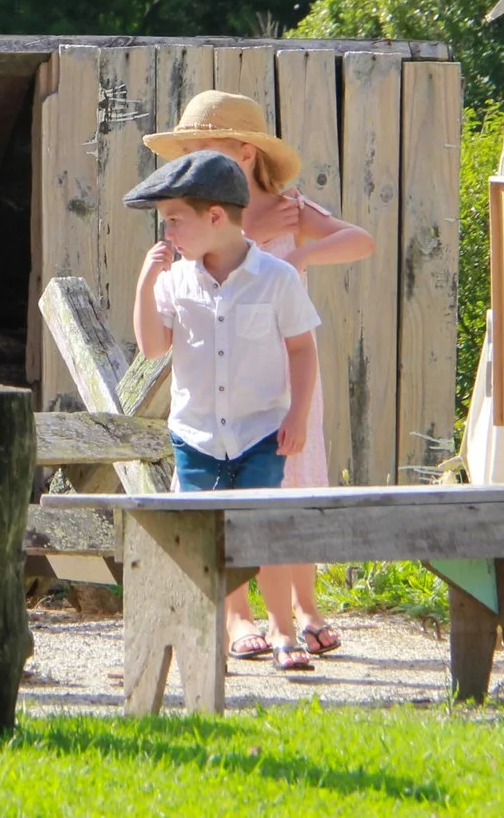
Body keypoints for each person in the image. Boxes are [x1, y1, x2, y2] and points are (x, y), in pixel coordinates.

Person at [142, 91, 373, 663]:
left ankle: (305, 606)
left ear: (244, 152)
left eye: (202, 145)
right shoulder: (203, 215)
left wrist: (298, 258)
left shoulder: (289, 206)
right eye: (188, 148)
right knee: (232, 489)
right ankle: (239, 617)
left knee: (289, 483)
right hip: (222, 374)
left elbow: (360, 240)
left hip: (286, 365)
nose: (193, 157)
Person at [126, 150, 323, 675]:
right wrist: (146, 285)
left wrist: (298, 415)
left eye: (174, 220)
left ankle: (282, 627)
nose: (167, 232)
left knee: (260, 526)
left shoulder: (277, 278)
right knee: (200, 535)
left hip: (261, 429)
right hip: (196, 434)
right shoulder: (175, 279)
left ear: (215, 217)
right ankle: (210, 632)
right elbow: (151, 347)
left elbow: (303, 349)